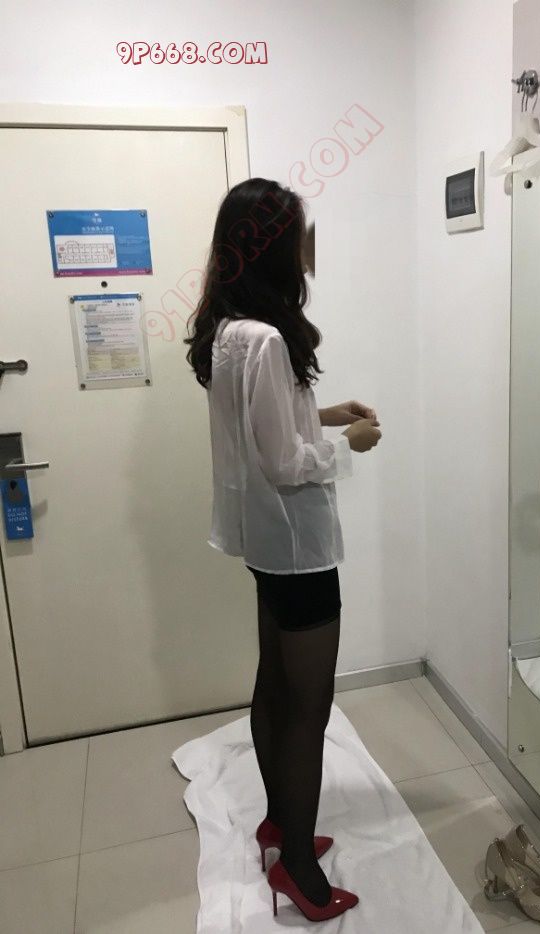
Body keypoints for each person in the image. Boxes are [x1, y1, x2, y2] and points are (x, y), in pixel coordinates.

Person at [185, 178, 381, 922]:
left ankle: (279, 825)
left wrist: (323, 412)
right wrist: (350, 444)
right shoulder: (266, 338)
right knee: (308, 706)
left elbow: (261, 422)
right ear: (273, 245)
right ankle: (298, 866)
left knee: (275, 684)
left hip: (266, 543)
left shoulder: (231, 329)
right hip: (298, 547)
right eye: (300, 234)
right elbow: (284, 462)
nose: (307, 248)